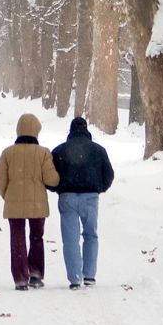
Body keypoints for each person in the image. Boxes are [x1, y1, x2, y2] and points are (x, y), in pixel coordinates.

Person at [0, 114, 59, 290]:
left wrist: (8, 196)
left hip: (14, 203)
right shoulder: (43, 153)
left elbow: (0, 179)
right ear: (36, 131)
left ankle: (20, 278)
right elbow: (51, 179)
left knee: (17, 239)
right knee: (37, 237)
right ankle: (36, 273)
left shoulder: (7, 153)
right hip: (37, 205)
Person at [50, 117, 114, 290]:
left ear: (70, 131)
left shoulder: (59, 151)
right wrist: (98, 188)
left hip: (67, 196)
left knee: (70, 238)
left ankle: (75, 278)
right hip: (90, 197)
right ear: (87, 130)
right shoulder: (99, 151)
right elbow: (109, 175)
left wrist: (57, 188)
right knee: (91, 235)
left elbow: (50, 176)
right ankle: (89, 275)